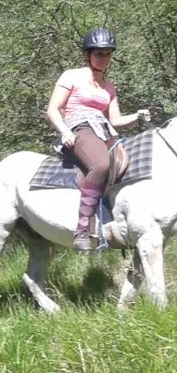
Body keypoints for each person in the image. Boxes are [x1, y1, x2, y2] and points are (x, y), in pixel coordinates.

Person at [46, 28, 150, 251]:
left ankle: (119, 221)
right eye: (99, 54)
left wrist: (137, 115)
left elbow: (115, 120)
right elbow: (53, 109)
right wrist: (65, 131)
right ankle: (82, 228)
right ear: (88, 55)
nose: (104, 59)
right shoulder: (71, 75)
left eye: (108, 54)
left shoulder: (108, 85)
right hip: (78, 127)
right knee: (102, 163)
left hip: (103, 131)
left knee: (125, 163)